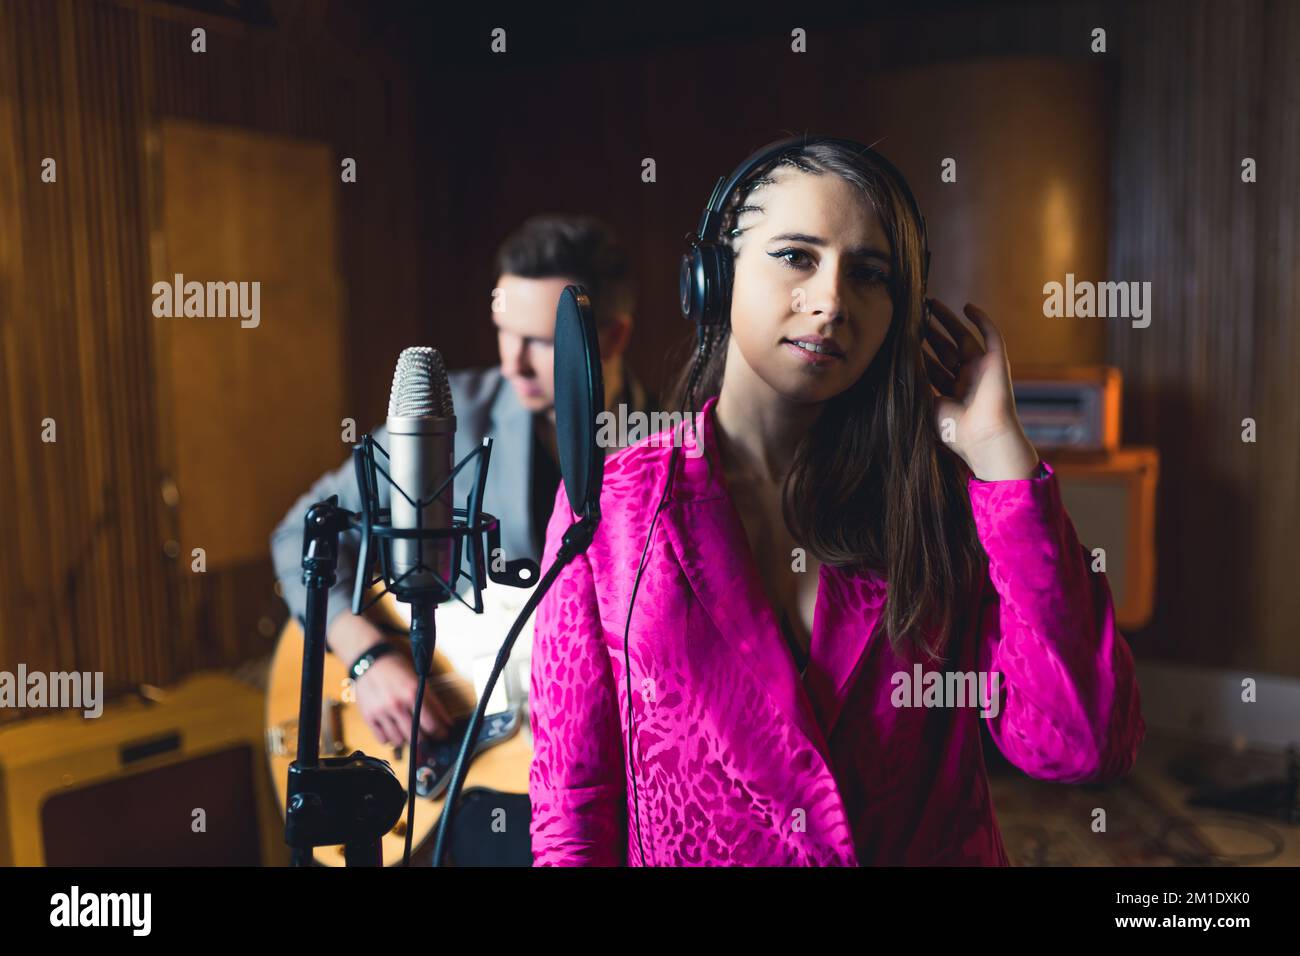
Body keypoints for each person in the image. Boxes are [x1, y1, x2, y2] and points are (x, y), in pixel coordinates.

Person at [527, 137, 1146, 866]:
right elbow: (573, 809)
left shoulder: (943, 499)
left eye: (870, 274)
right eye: (796, 255)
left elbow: (1081, 743)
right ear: (711, 276)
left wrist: (1002, 458)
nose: (829, 301)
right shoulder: (611, 504)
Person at [270, 214, 655, 749]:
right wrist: (367, 657)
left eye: (540, 342)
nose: (512, 363)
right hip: (460, 774)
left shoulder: (672, 451)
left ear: (614, 335)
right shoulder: (453, 419)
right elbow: (299, 536)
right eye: (505, 333)